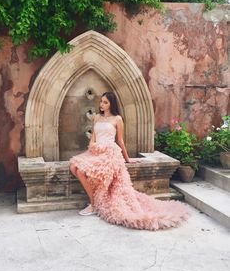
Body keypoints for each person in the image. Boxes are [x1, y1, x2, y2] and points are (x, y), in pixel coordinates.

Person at [69, 92, 190, 230]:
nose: (102, 104)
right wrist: (92, 148)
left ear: (111, 104)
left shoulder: (117, 119)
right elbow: (94, 137)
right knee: (74, 166)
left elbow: (120, 140)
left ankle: (93, 204)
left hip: (110, 152)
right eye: (101, 101)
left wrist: (127, 159)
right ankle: (94, 203)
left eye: (105, 102)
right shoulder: (97, 117)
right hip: (96, 150)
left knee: (80, 171)